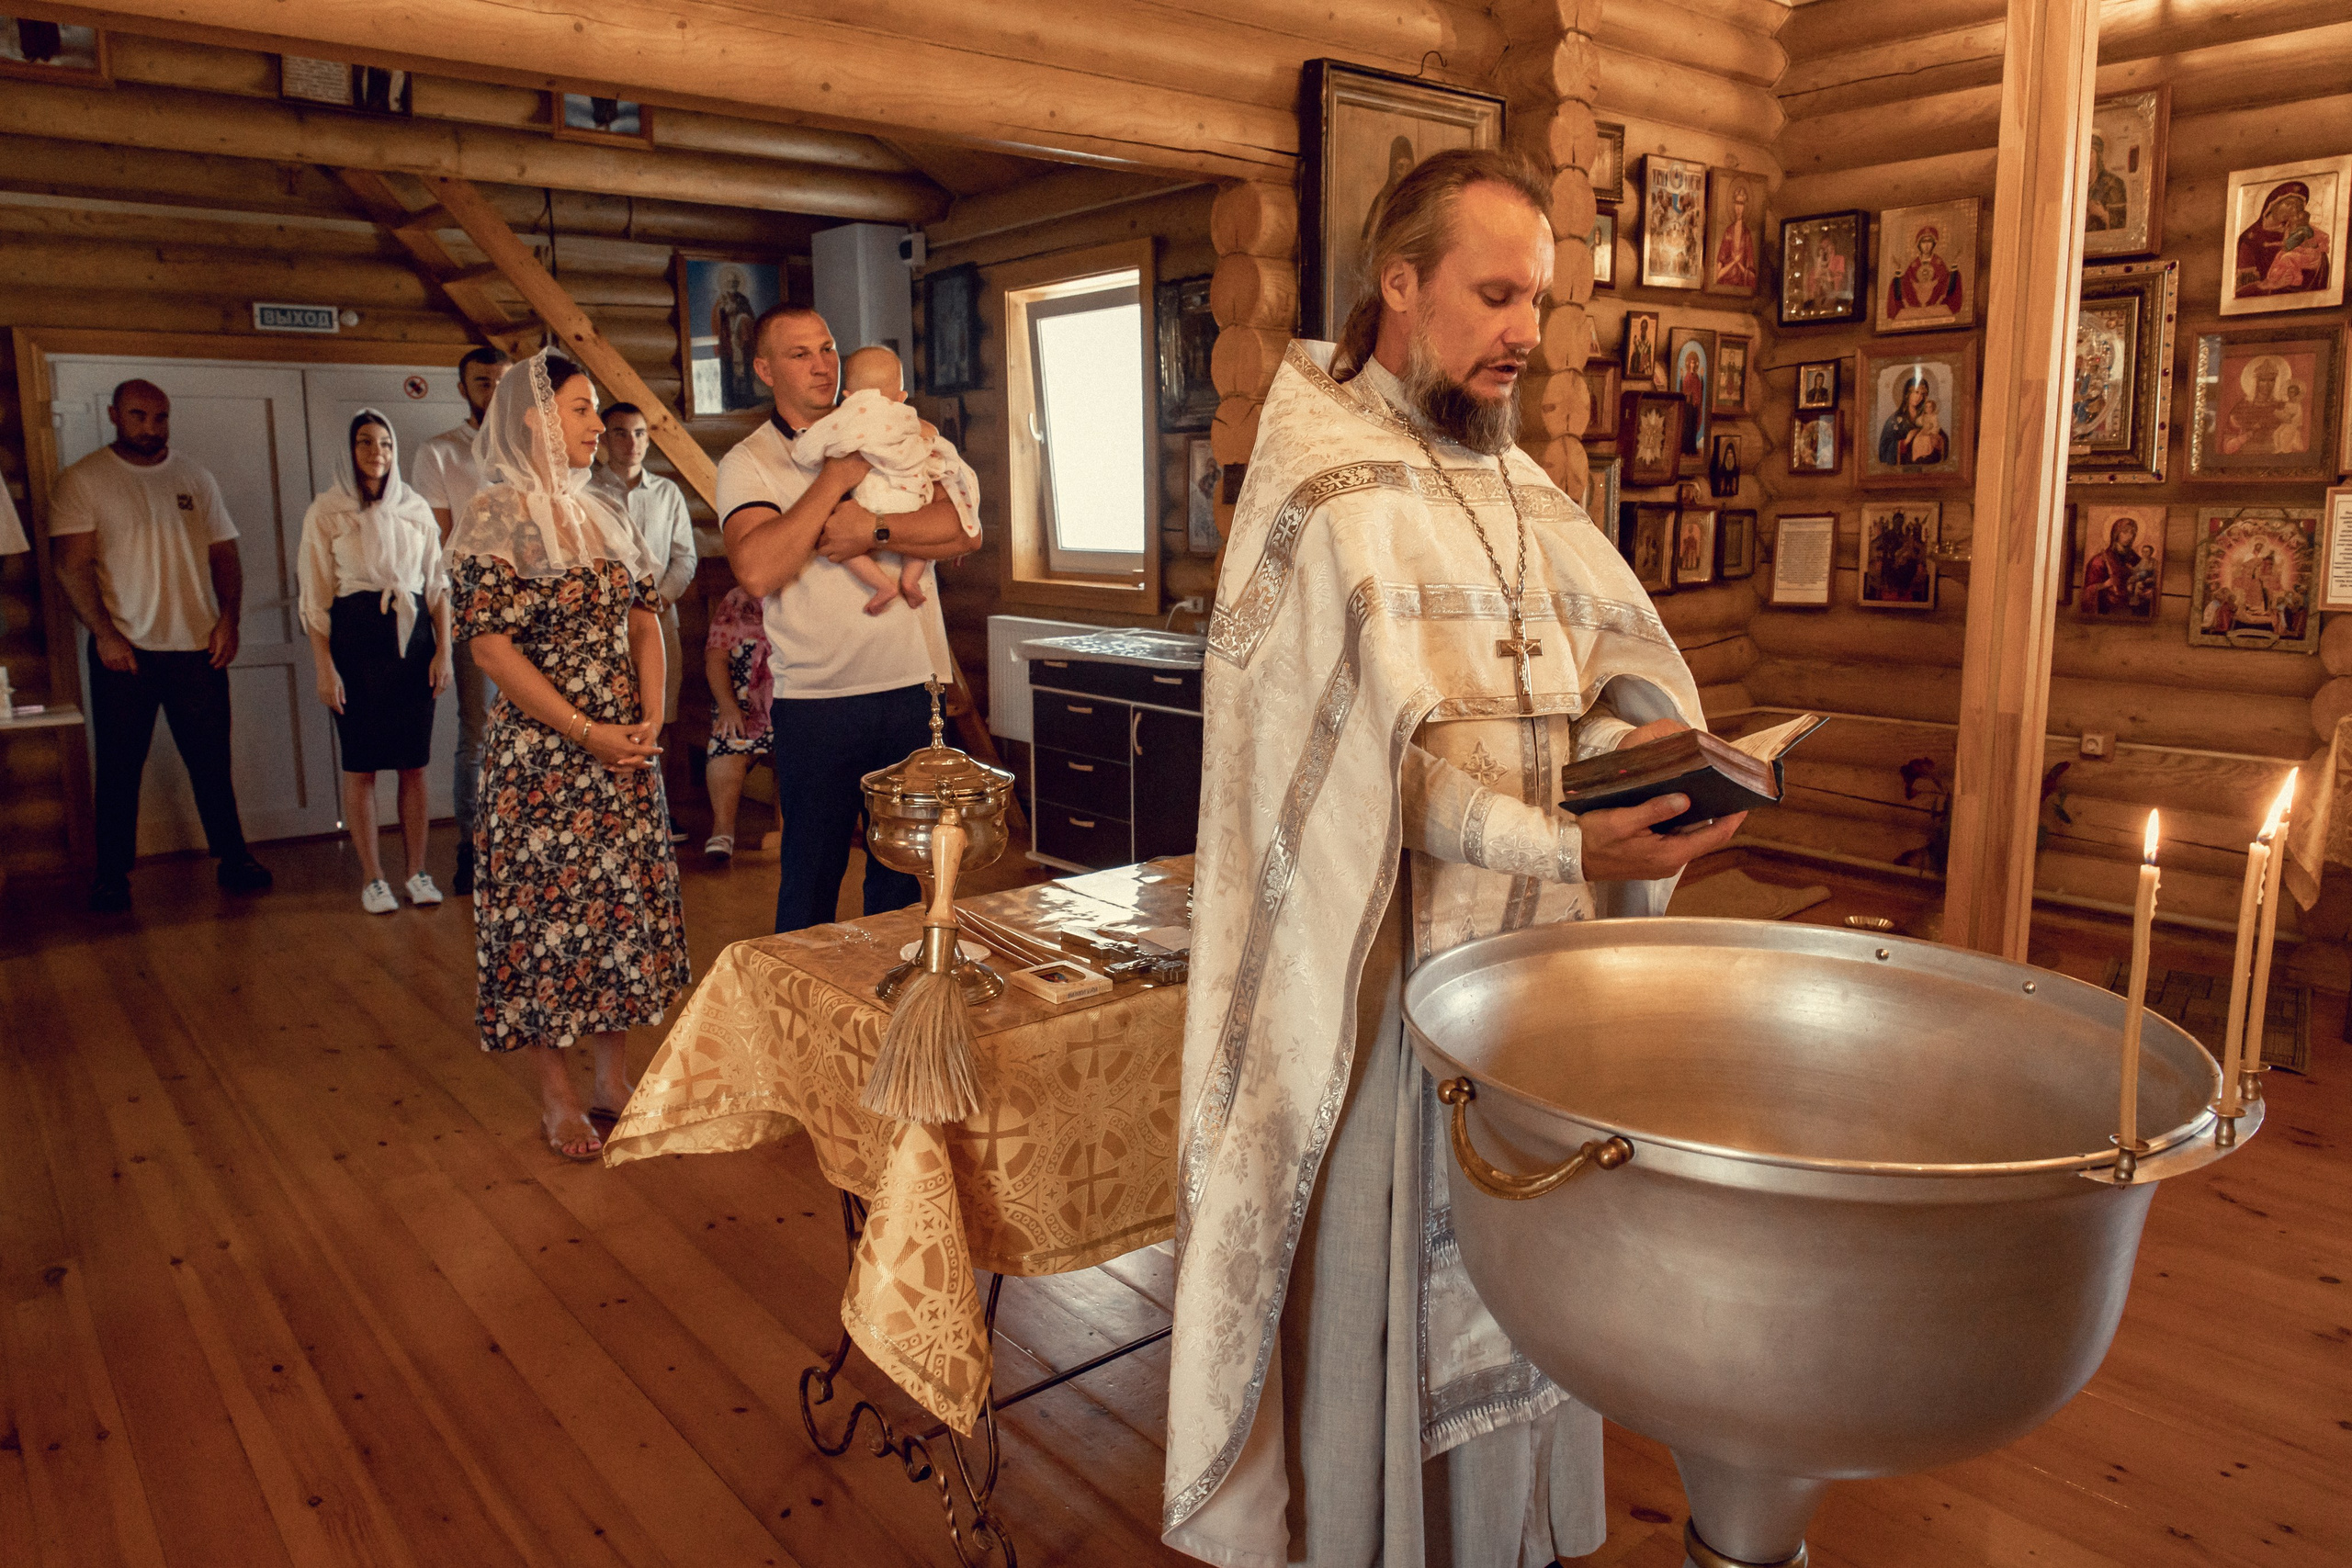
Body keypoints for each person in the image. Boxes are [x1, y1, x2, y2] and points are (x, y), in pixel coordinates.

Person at [1164, 148, 1735, 1568]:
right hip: (1392, 995)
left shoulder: (1519, 480)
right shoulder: (1319, 489)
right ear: (1400, 286)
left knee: (1538, 1279)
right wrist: (1560, 830)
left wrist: (1660, 761)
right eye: (1494, 295)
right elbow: (1359, 776)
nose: (1525, 332)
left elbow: (1609, 661)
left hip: (1538, 984)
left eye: (1536, 298)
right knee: (1399, 1289)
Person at [447, 351, 688, 1162]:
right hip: (544, 755)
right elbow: (487, 648)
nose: (598, 427)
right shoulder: (494, 514)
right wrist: (584, 730)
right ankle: (557, 1094)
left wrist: (650, 713)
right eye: (582, 410)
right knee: (545, 918)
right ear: (533, 419)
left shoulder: (608, 512)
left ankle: (611, 1079)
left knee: (616, 910)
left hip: (623, 744)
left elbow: (645, 617)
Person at [715, 306, 983, 933]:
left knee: (904, 874)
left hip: (913, 687)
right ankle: (801, 1022)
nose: (821, 364)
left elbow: (963, 529)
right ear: (763, 369)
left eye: (828, 348)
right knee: (811, 874)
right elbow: (757, 569)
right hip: (820, 700)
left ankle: (886, 1016)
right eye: (800, 353)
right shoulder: (749, 461)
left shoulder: (895, 427)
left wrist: (876, 528)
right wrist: (834, 478)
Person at [50, 379, 273, 911]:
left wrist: (229, 620)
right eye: (139, 415)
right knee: (121, 765)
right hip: (124, 650)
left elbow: (225, 553)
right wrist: (104, 634)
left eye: (160, 417)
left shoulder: (194, 476)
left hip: (199, 646)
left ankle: (234, 857)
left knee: (212, 761)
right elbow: (70, 565)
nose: (151, 427)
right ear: (114, 415)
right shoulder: (84, 480)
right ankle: (110, 874)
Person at [298, 410, 453, 912]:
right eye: (365, 442)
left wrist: (445, 652)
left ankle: (417, 872)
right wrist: (325, 667)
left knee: (414, 764)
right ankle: (373, 878)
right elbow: (315, 598)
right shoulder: (327, 512)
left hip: (414, 646)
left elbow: (437, 587)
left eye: (384, 443)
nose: (376, 453)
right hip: (355, 639)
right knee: (362, 766)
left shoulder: (416, 510)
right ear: (351, 450)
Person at [412, 345, 510, 894]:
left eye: (500, 381)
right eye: (481, 382)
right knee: (478, 734)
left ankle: (521, 841)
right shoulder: (441, 453)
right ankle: (474, 847)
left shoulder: (528, 448)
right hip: (476, 606)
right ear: (464, 388)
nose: (492, 392)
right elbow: (443, 544)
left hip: (535, 607)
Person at [788, 346, 983, 615]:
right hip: (913, 496)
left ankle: (883, 586)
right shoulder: (910, 419)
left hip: (871, 500)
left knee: (841, 542)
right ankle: (909, 579)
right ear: (902, 396)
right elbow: (929, 436)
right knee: (923, 544)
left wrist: (803, 448)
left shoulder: (845, 418)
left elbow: (811, 446)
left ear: (848, 396)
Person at [591, 402, 697, 737]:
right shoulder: (586, 492)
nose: (632, 442)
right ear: (604, 439)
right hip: (602, 623)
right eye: (620, 433)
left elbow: (684, 557)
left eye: (639, 433)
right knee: (608, 713)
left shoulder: (667, 493)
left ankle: (656, 788)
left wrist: (659, 600)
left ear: (648, 439)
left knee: (659, 717)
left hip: (659, 618)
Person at [701, 584, 773, 860]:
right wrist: (728, 707)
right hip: (744, 702)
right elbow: (715, 658)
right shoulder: (736, 599)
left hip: (793, 697)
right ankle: (723, 829)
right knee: (727, 739)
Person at [2234, 180, 2331, 299]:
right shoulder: (2250, 239)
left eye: (2298, 207)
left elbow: (2318, 265)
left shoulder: (2298, 231)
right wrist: (2271, 285)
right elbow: (2240, 291)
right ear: (2272, 204)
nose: (2293, 210)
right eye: (2289, 204)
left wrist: (2317, 257)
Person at [1886, 223, 1962, 321]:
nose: (1926, 245)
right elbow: (1906, 284)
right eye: (1923, 242)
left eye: (1929, 242)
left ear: (1934, 244)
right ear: (1919, 244)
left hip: (1935, 303)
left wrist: (1954, 268)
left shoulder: (1938, 262)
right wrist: (1898, 272)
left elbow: (1945, 282)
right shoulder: (1914, 264)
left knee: (1942, 310)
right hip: (1915, 303)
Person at [1712, 180, 1758, 288]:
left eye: (1741, 204)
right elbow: (1720, 261)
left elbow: (1751, 270)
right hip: (1726, 279)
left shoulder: (1746, 234)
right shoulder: (1728, 231)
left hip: (1741, 281)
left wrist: (1738, 263)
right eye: (1737, 203)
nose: (1738, 208)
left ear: (1745, 206)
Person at [2085, 132, 2128, 233]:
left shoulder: (2113, 184)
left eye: (2090, 153)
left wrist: (2103, 214)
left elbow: (2121, 226)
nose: (2085, 157)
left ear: (2098, 156)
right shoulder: (2071, 183)